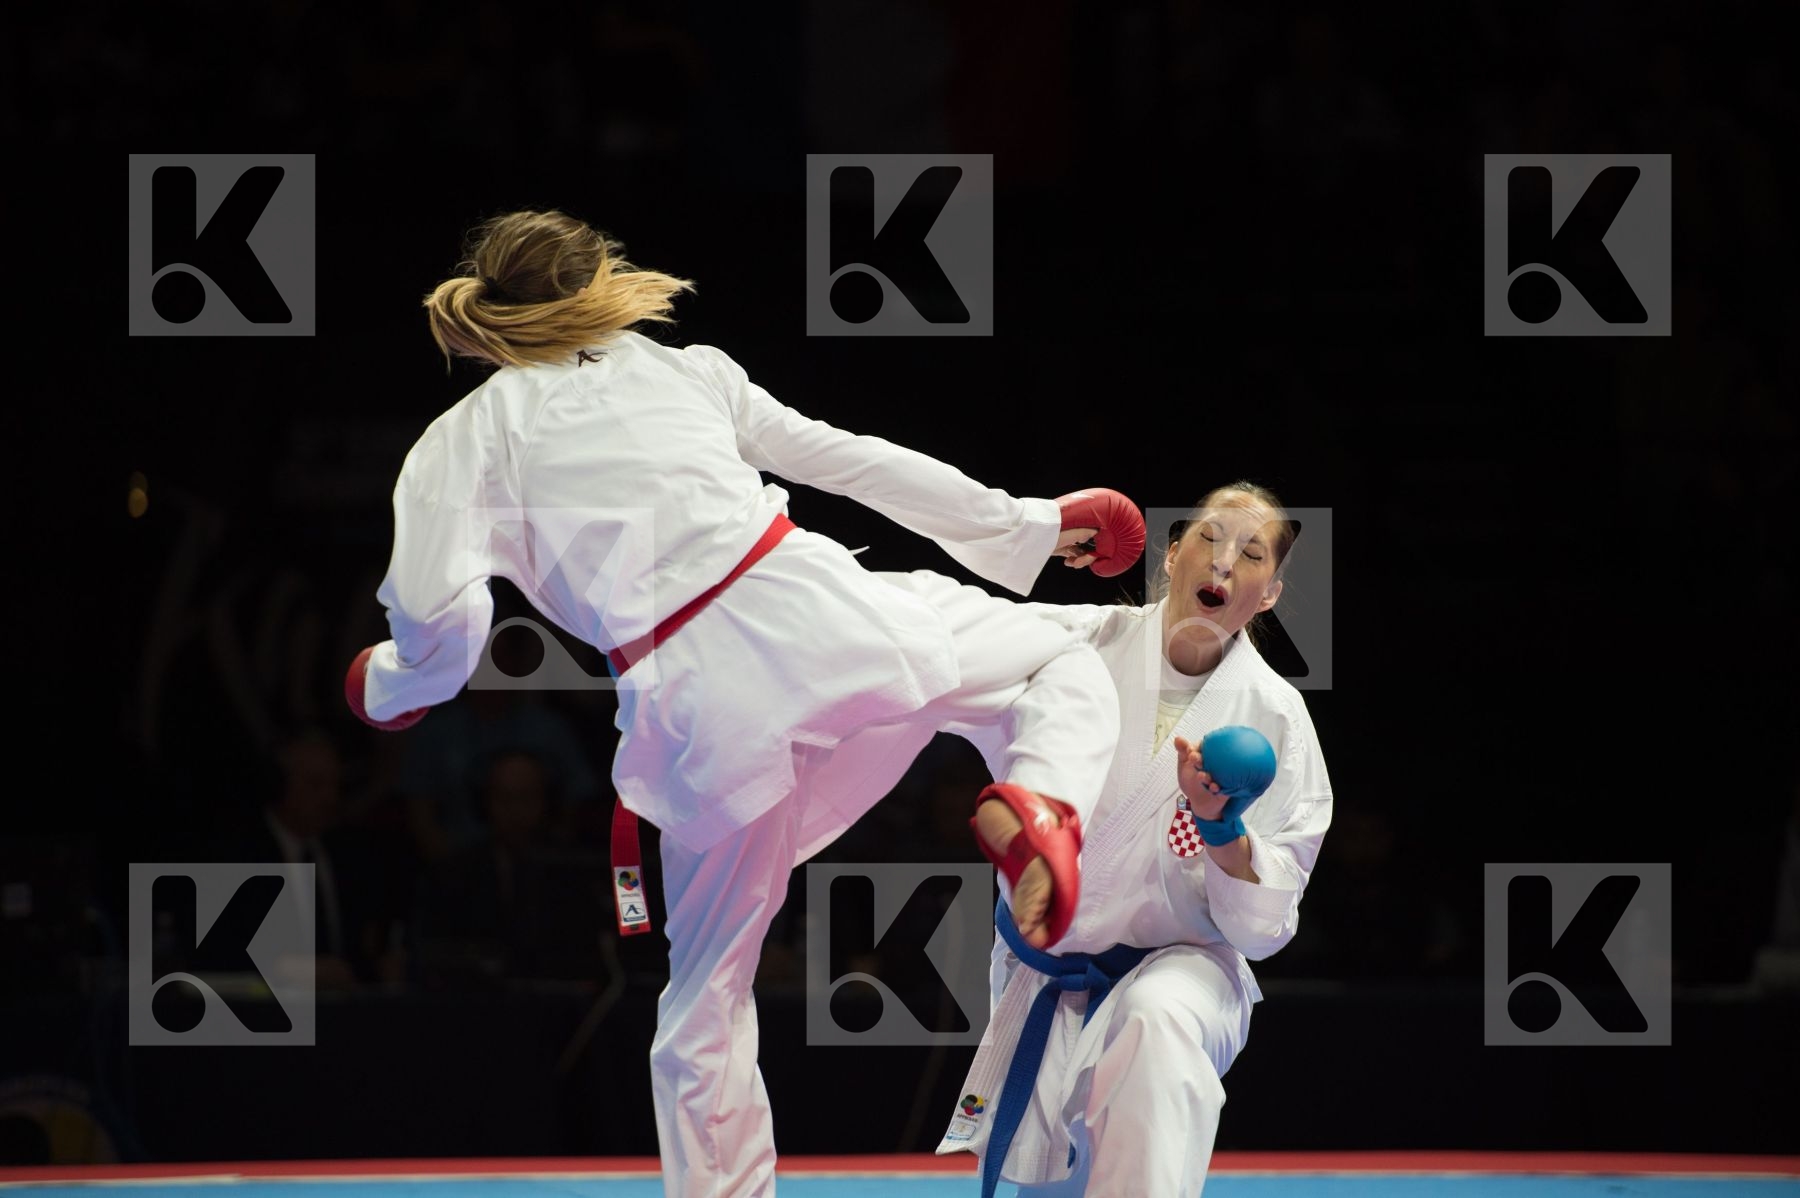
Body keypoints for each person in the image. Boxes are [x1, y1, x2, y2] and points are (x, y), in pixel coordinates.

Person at [340, 209, 1146, 1197]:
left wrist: (387, 685)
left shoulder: (460, 443)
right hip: (834, 631)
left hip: (700, 719)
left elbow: (444, 630)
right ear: (598, 286)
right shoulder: (685, 369)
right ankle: (1042, 803)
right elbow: (852, 459)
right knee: (1062, 653)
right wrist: (1032, 523)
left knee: (706, 993)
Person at [783, 481, 1331, 1195]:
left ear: (1269, 594)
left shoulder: (1276, 718)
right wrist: (786, 591)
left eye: (1250, 552)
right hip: (1048, 968)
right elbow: (938, 633)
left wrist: (1222, 830)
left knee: (1156, 1023)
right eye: (1209, 538)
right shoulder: (1075, 646)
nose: (1223, 562)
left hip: (1185, 966)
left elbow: (1264, 928)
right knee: (1049, 1184)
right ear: (1171, 555)